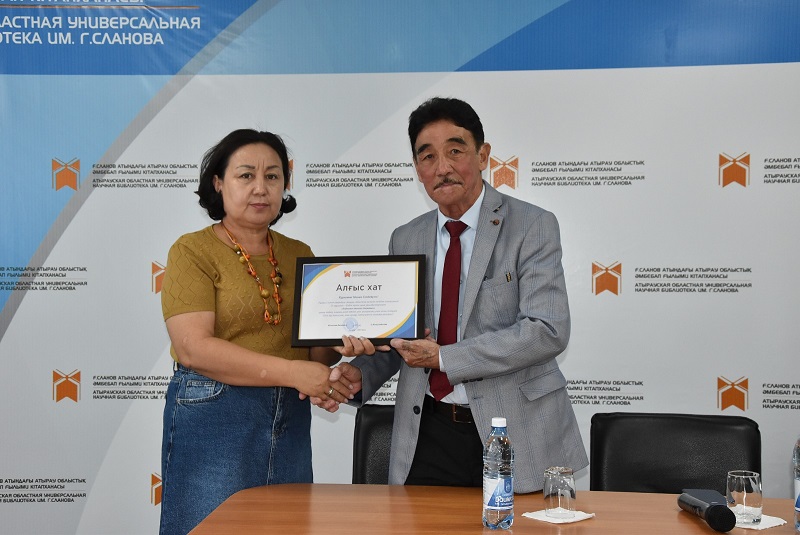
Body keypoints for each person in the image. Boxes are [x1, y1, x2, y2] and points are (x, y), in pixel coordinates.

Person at [330, 97, 588, 492]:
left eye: (455, 151)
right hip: (428, 433)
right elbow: (404, 336)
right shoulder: (406, 238)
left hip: (516, 432)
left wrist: (445, 358)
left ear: (483, 155)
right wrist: (360, 375)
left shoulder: (532, 225)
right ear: (417, 169)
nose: (442, 167)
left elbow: (546, 330)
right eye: (428, 156)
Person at [158, 129, 352, 535]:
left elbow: (313, 355)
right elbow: (193, 348)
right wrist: (296, 373)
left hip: (290, 416)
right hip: (214, 415)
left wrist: (345, 342)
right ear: (218, 182)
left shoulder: (299, 253)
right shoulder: (191, 250)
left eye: (273, 176)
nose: (261, 188)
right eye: (246, 175)